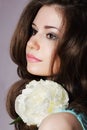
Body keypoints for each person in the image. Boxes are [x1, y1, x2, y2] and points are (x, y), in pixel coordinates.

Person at [6, 0, 87, 130]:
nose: (31, 43)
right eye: (34, 31)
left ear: (78, 48)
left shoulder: (57, 123)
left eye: (50, 35)